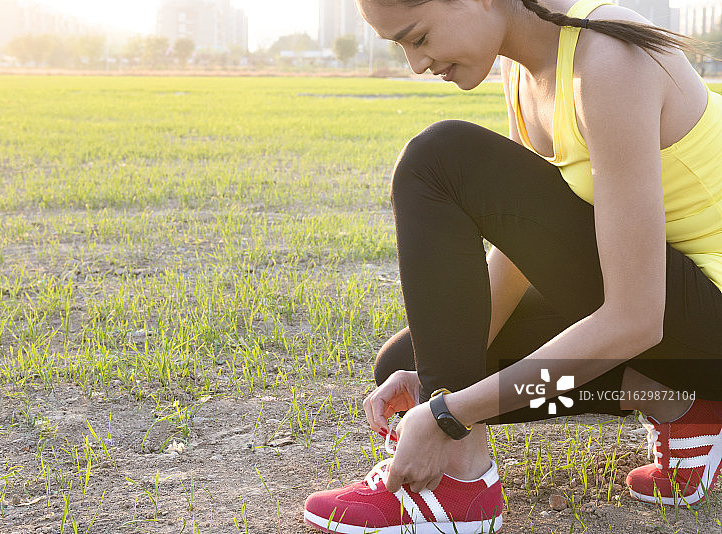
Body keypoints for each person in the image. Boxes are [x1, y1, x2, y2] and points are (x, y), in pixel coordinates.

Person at [303, 0, 722, 532]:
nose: (416, 63)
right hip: (683, 326)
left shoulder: (610, 59)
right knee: (415, 363)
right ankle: (687, 409)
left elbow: (636, 318)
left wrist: (452, 416)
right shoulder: (522, 72)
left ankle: (460, 483)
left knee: (440, 158)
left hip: (696, 314)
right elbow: (528, 248)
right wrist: (444, 383)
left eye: (419, 37)